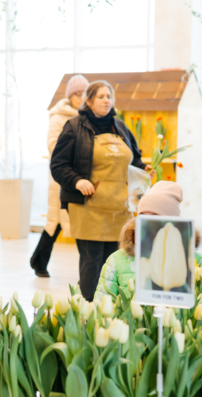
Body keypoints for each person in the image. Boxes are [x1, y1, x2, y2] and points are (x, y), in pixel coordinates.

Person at [50, 80, 149, 302]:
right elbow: (58, 165)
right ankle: (88, 312)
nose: (107, 100)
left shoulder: (120, 127)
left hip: (120, 210)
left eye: (109, 96)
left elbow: (136, 159)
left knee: (115, 262)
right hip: (88, 209)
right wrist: (76, 181)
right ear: (89, 100)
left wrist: (144, 169)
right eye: (101, 96)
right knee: (92, 264)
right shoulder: (74, 127)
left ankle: (111, 311)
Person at [94, 181, 202, 303]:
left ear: (171, 223)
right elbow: (101, 306)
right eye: (142, 216)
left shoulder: (196, 262)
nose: (146, 223)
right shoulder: (117, 260)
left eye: (155, 218)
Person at [29, 74, 88, 278]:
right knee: (56, 219)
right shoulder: (59, 116)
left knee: (70, 221)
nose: (81, 98)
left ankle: (38, 261)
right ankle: (39, 262)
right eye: (77, 94)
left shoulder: (88, 117)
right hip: (62, 176)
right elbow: (53, 144)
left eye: (84, 94)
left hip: (82, 178)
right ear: (70, 96)